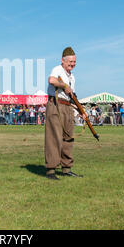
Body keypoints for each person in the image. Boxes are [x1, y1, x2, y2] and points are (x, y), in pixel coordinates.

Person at [44, 47, 87, 180]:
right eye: (70, 61)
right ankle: (51, 170)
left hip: (68, 107)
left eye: (74, 62)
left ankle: (66, 168)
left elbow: (71, 97)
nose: (73, 64)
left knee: (68, 138)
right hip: (56, 105)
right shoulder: (58, 70)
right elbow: (51, 80)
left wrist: (81, 111)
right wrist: (63, 86)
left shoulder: (72, 77)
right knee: (54, 137)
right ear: (63, 61)